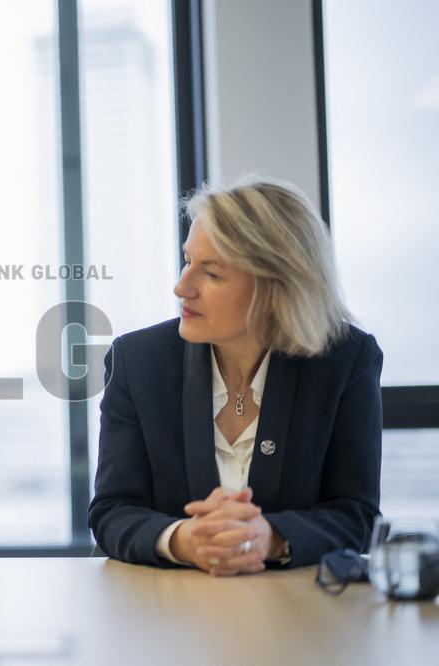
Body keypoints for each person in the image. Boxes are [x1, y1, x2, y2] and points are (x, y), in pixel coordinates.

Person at [88, 177, 382, 574]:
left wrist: (271, 537)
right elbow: (111, 511)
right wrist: (181, 539)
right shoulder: (138, 360)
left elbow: (356, 515)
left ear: (277, 287)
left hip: (300, 613)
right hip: (168, 612)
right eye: (188, 260)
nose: (181, 287)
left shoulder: (345, 360)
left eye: (211, 273)